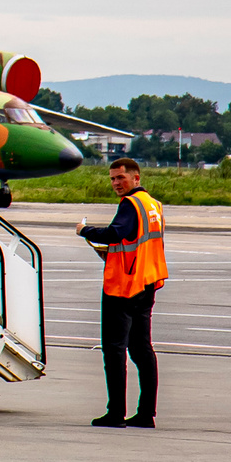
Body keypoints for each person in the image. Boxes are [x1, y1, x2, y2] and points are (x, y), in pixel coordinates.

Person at [78, 157, 166, 427]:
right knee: (142, 350)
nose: (116, 183)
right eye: (113, 179)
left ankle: (115, 412)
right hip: (147, 282)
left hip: (124, 287)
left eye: (121, 178)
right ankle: (146, 413)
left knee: (114, 350)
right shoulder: (154, 205)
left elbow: (117, 233)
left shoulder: (130, 204)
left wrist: (85, 231)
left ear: (136, 178)